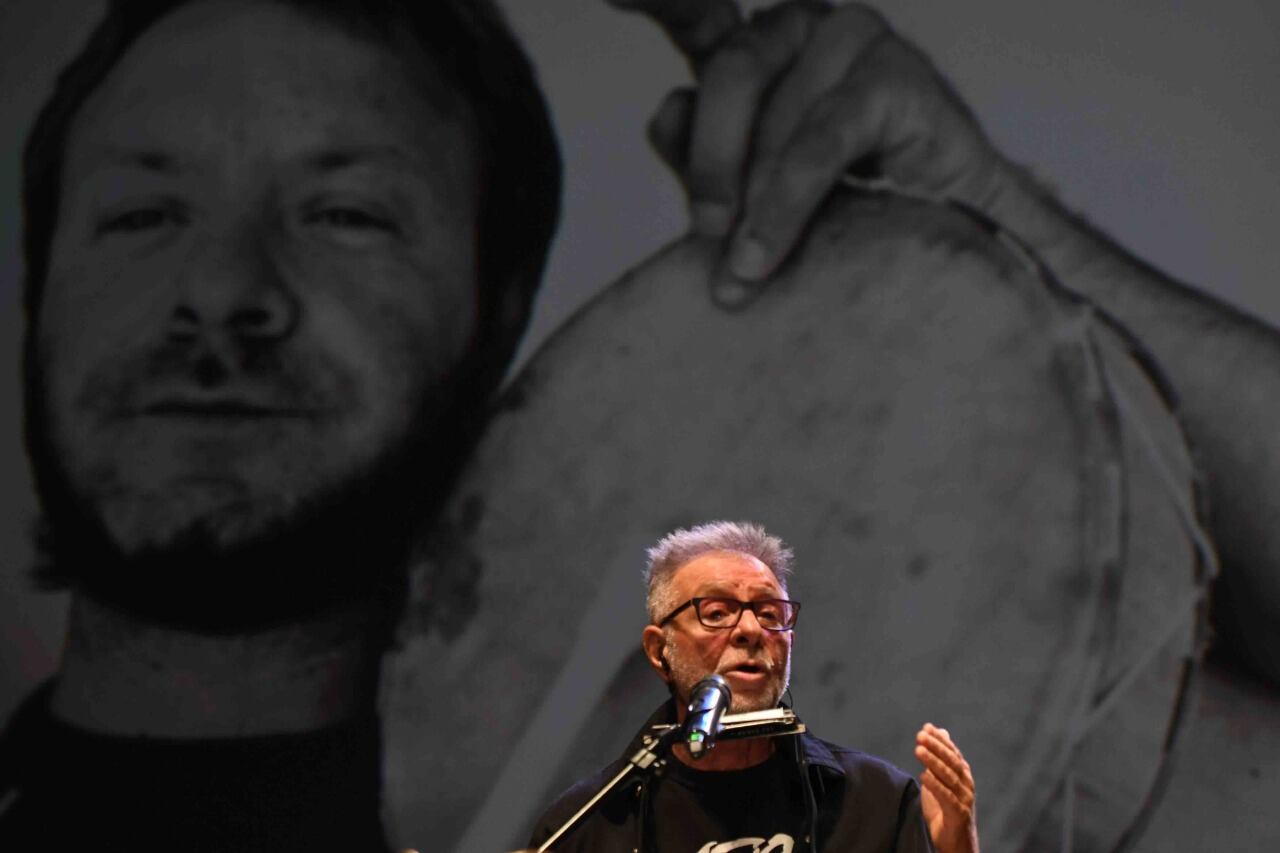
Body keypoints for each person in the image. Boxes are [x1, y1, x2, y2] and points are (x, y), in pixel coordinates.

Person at [526, 521, 979, 853]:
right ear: (658, 649)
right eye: (717, 612)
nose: (750, 630)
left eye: (769, 613)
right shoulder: (585, 826)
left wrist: (957, 847)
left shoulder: (874, 800)